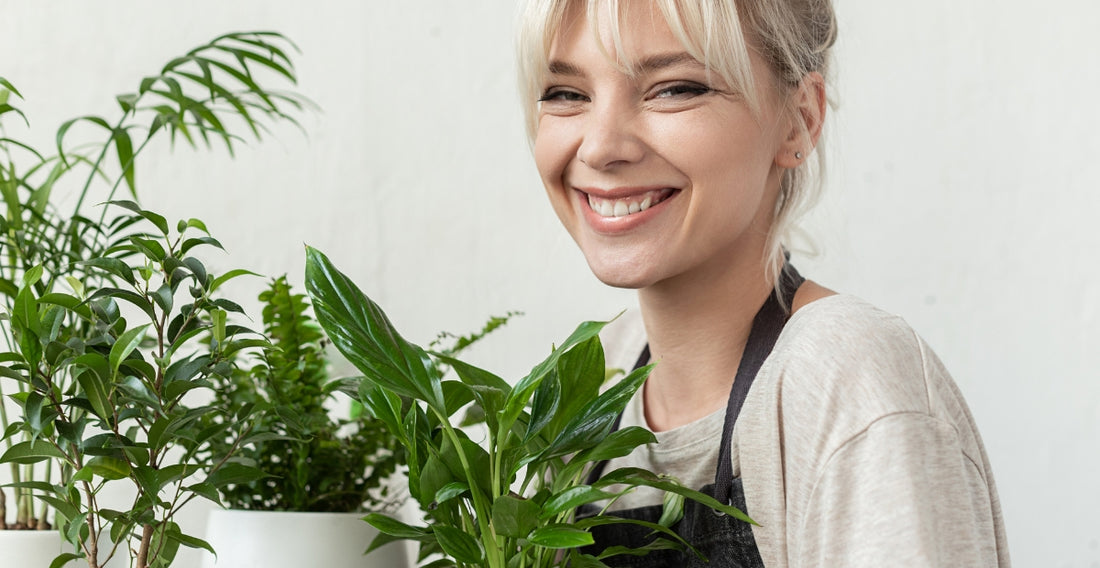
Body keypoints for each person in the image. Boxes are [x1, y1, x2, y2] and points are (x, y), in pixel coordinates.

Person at [516, 0, 1010, 566]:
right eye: (566, 95)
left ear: (799, 120)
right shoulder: (590, 379)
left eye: (674, 88)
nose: (602, 147)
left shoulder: (846, 380)